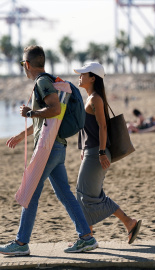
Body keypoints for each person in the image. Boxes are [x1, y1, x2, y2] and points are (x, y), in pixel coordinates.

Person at [0, 46, 97, 256]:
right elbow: (47, 121)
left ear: (27, 64)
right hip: (57, 146)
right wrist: (20, 135)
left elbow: (53, 109)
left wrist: (31, 112)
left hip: (49, 148)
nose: (23, 68)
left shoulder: (42, 82)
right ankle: (86, 237)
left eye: (22, 64)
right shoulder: (49, 80)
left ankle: (21, 242)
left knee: (31, 191)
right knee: (64, 194)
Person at [73, 62, 141, 245]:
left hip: (97, 153)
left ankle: (86, 237)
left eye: (83, 74)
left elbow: (103, 127)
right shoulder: (89, 98)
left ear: (93, 78)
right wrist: (85, 149)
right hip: (92, 151)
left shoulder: (95, 98)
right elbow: (89, 129)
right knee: (88, 196)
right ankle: (128, 222)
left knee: (84, 196)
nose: (79, 76)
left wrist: (102, 152)